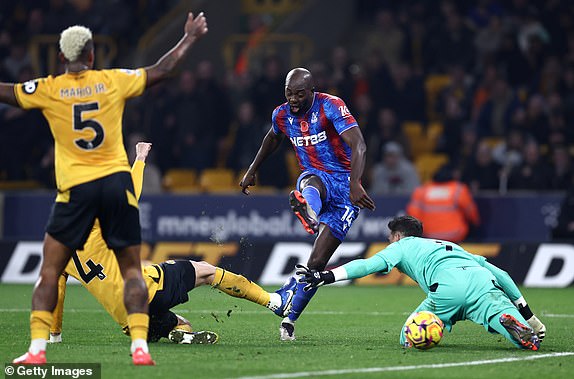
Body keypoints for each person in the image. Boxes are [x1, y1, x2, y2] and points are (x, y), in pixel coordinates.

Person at [0, 12, 208, 365]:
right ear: (93, 56)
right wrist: (188, 38)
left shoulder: (49, 88)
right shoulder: (113, 80)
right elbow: (161, 69)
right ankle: (140, 347)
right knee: (131, 270)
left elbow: (8, 94)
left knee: (50, 270)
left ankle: (37, 351)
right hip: (114, 186)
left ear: (61, 58)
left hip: (75, 190)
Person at [50, 143, 293, 345]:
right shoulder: (92, 223)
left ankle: (179, 333)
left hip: (127, 318)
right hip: (147, 291)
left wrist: (55, 334)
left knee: (179, 322)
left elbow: (56, 292)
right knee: (207, 271)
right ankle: (274, 302)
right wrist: (140, 158)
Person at [240, 67, 376, 341]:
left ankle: (290, 319)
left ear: (311, 90)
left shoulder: (331, 106)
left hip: (345, 185)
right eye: (289, 92)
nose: (293, 98)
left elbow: (359, 144)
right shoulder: (281, 114)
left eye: (299, 93)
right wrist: (253, 169)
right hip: (316, 177)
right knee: (310, 181)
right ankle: (308, 209)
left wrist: (355, 182)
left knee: (316, 262)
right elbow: (272, 138)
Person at [296, 215, 546, 351]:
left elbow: (367, 265)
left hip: (447, 289)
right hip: (482, 282)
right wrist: (530, 314)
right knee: (517, 332)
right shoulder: (447, 245)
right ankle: (519, 325)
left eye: (389, 238)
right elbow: (502, 274)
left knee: (408, 335)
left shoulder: (401, 246)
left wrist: (326, 276)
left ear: (396, 236)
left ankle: (424, 334)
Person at [407, 164, 480, 242]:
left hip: (429, 235)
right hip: (455, 235)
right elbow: (471, 213)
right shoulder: (459, 189)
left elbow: (413, 214)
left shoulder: (422, 190)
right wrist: (476, 224)